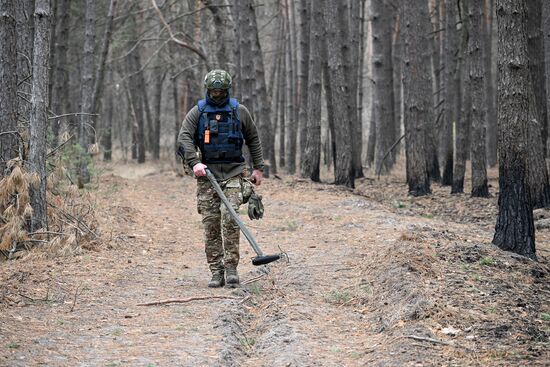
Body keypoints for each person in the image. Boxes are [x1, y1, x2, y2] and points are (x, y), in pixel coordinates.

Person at [177, 69, 264, 288]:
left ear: (227, 90)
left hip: (235, 173)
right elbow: (184, 137)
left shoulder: (239, 111)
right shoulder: (198, 112)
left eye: (220, 91)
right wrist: (194, 162)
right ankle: (216, 271)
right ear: (208, 90)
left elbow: (253, 138)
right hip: (208, 176)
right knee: (211, 224)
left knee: (230, 220)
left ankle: (232, 268)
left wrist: (258, 168)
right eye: (213, 91)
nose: (217, 95)